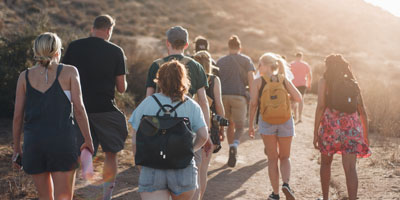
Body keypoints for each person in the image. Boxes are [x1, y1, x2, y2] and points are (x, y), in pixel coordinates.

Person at [12, 32, 94, 200]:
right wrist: (88, 139)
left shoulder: (24, 76)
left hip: (34, 144)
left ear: (36, 51)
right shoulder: (70, 72)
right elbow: (79, 109)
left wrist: (16, 149)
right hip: (62, 143)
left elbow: (17, 117)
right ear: (58, 51)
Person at [62, 15, 128, 200]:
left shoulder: (74, 47)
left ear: (92, 28)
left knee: (73, 156)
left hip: (77, 109)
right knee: (111, 152)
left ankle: (69, 193)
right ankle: (106, 195)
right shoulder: (116, 51)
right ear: (109, 30)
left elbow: (63, 77)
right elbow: (122, 89)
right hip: (105, 109)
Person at [129, 60, 209, 200]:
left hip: (152, 167)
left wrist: (141, 166)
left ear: (159, 80)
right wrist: (189, 150)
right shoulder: (191, 105)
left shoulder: (147, 103)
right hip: (182, 169)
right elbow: (203, 135)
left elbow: (135, 139)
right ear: (183, 80)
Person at [313, 54, 371, 200]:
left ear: (328, 66)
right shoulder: (353, 83)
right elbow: (362, 110)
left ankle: (325, 197)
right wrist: (365, 135)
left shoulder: (324, 81)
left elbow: (320, 106)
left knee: (326, 164)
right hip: (351, 128)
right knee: (351, 168)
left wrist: (315, 133)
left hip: (330, 128)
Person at [248, 53, 301, 200]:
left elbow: (253, 104)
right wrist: (285, 99)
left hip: (267, 121)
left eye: (260, 65)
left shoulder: (257, 81)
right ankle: (286, 184)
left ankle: (275, 194)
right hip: (285, 120)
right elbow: (299, 98)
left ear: (265, 66)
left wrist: (251, 125)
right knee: (285, 157)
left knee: (272, 159)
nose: (259, 68)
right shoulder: (284, 79)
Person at [216, 35, 255, 167]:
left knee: (229, 125)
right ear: (240, 47)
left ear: (228, 47)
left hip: (223, 97)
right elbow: (251, 77)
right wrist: (253, 94)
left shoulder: (220, 61)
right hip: (239, 96)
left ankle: (231, 149)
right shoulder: (246, 60)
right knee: (239, 127)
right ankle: (234, 146)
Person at [193, 50, 225, 199]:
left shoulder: (189, 78)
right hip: (209, 125)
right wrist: (222, 127)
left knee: (190, 168)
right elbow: (218, 104)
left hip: (190, 125)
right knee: (203, 170)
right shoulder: (213, 80)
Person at [290, 52, 312, 123]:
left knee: (293, 100)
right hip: (302, 84)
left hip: (293, 84)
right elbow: (309, 75)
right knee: (301, 100)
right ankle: (299, 117)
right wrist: (309, 84)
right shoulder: (305, 65)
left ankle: (292, 115)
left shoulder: (291, 64)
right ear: (301, 57)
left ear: (296, 56)